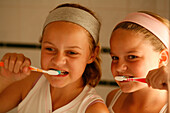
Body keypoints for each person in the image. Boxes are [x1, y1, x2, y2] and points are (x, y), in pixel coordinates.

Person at [0, 3, 109, 113]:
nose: (58, 61)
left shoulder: (94, 109)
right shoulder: (29, 83)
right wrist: (5, 77)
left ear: (92, 55)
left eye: (72, 52)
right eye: (50, 49)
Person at [106, 11, 169, 113]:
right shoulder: (112, 99)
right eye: (115, 58)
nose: (118, 67)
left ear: (162, 58)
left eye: (132, 57)